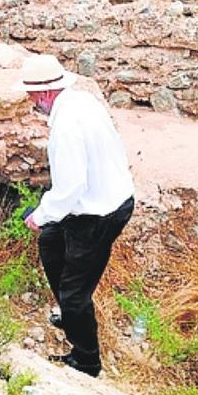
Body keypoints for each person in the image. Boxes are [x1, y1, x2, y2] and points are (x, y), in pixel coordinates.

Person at [19, 54, 135, 378]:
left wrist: (41, 215)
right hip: (105, 198)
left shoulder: (66, 127)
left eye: (30, 96)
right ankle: (72, 314)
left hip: (99, 213)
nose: (31, 103)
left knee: (74, 289)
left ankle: (86, 360)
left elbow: (71, 186)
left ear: (43, 94)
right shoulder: (81, 101)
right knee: (51, 244)